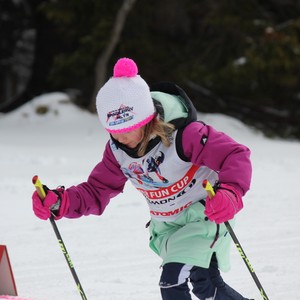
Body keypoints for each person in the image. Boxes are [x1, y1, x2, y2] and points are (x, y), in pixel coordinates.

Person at [32, 57, 253, 300]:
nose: (121, 138)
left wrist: (231, 193)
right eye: (114, 132)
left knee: (172, 281)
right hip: (168, 228)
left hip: (204, 217)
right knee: (206, 285)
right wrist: (59, 202)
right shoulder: (117, 151)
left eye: (127, 130)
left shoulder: (185, 136)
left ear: (146, 120)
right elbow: (97, 190)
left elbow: (235, 154)